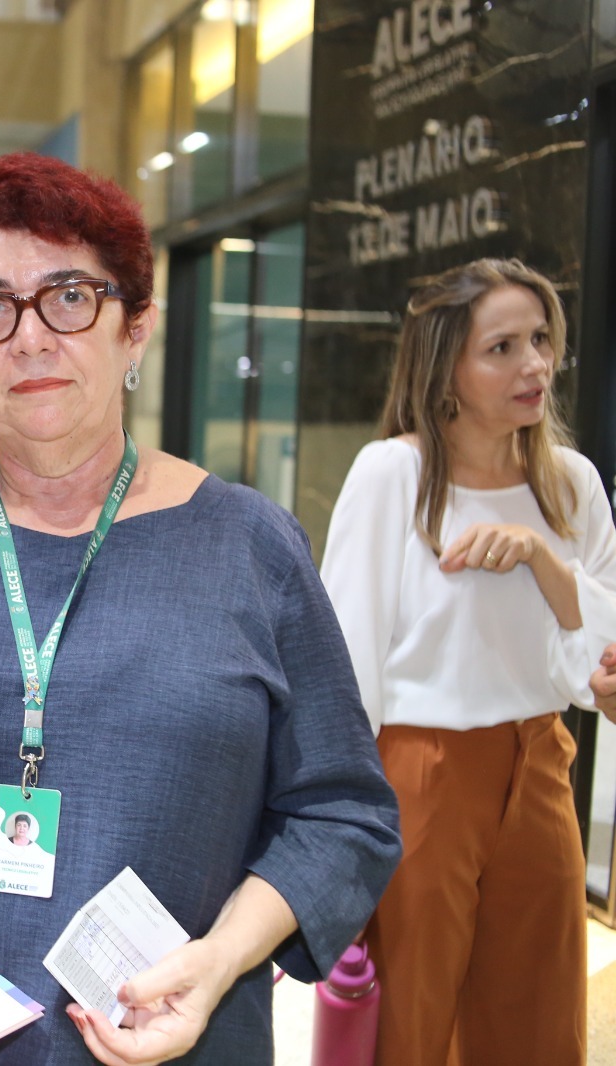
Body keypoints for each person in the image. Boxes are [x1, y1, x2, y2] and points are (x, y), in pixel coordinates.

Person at [0, 152, 401, 1066]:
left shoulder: (251, 549)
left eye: (70, 297)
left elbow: (341, 815)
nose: (30, 338)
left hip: (177, 1041)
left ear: (135, 327)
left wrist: (222, 959)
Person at [321, 258, 616, 1066]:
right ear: (445, 366)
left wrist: (543, 562)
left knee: (539, 1019)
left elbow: (596, 663)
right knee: (409, 1020)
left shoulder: (572, 485)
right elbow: (346, 662)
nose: (535, 366)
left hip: (541, 763)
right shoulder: (395, 474)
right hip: (418, 773)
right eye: (503, 348)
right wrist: (334, 817)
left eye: (542, 340)